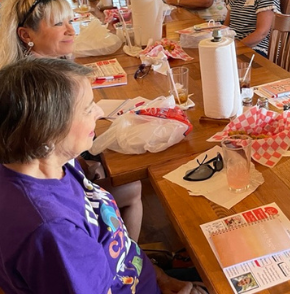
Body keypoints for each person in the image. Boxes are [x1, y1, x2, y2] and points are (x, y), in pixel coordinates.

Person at [0, 58, 206, 293]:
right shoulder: (55, 234)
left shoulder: (55, 163)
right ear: (47, 131)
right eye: (88, 108)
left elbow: (120, 251)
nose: (98, 112)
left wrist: (160, 277)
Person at [0, 0, 143, 242]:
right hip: (55, 198)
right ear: (25, 34)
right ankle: (126, 263)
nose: (70, 30)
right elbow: (44, 159)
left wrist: (85, 164)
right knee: (132, 183)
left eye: (70, 20)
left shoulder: (37, 72)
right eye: (58, 24)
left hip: (59, 181)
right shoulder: (38, 93)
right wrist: (86, 168)